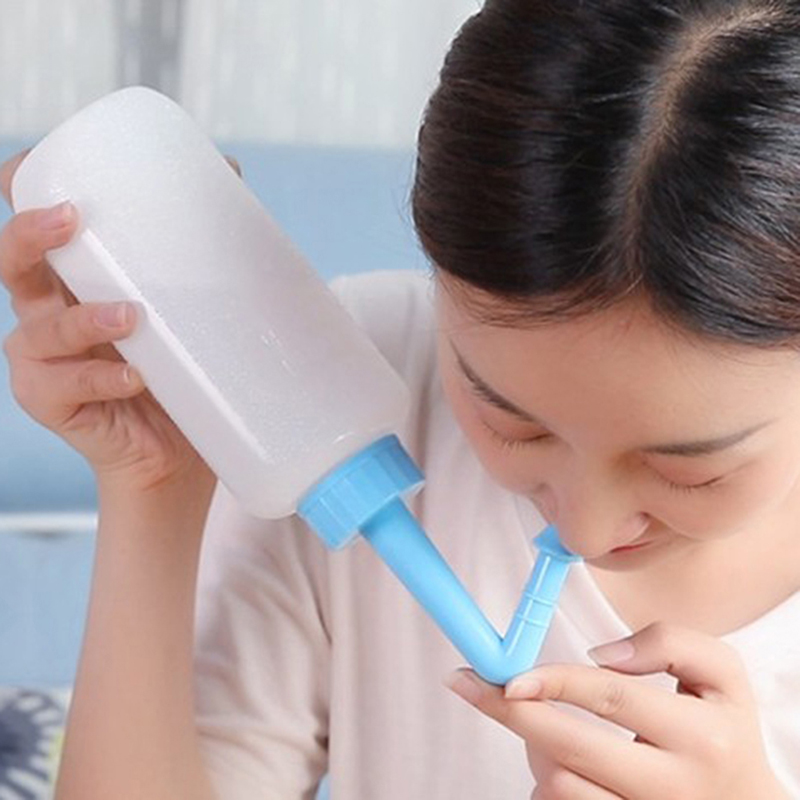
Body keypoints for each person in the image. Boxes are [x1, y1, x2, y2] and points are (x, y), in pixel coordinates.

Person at [2, 0, 799, 797]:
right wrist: (157, 488)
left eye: (689, 471)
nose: (582, 529)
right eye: (512, 424)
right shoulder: (332, 397)